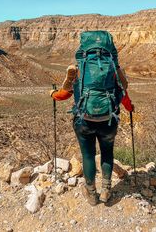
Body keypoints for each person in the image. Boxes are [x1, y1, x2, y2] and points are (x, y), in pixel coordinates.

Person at [49, 32, 133, 206]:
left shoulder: (81, 68)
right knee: (107, 153)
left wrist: (53, 94)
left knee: (88, 155)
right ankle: (106, 191)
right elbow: (123, 95)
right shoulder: (114, 70)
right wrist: (131, 108)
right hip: (108, 121)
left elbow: (64, 95)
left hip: (84, 121)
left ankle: (92, 193)